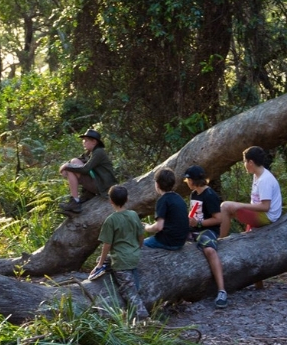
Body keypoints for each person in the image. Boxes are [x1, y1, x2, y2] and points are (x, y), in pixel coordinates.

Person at [89, 185, 150, 320]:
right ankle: (108, 265)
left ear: (110, 201)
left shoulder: (111, 220)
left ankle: (144, 317)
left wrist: (99, 265)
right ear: (127, 199)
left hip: (122, 261)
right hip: (133, 255)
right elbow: (141, 235)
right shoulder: (133, 215)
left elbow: (107, 244)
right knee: (104, 258)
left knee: (129, 291)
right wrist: (138, 247)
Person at [184, 165, 228, 309]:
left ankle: (222, 290)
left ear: (193, 180)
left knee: (209, 250)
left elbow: (219, 219)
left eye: (188, 179)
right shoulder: (194, 194)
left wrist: (200, 223)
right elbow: (194, 213)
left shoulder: (209, 196)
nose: (187, 181)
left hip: (208, 230)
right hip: (194, 228)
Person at [219, 146, 283, 238]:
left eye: (245, 161)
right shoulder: (257, 175)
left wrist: (240, 205)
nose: (244, 164)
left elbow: (265, 207)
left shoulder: (265, 180)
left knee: (225, 207)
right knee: (228, 209)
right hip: (261, 214)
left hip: (267, 217)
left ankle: (220, 240)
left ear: (251, 162)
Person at [58, 129, 118, 214]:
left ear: (94, 142)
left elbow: (85, 169)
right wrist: (66, 166)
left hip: (104, 186)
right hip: (101, 183)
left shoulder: (99, 152)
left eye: (86, 140)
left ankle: (75, 201)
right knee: (73, 162)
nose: (83, 142)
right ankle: (86, 195)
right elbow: (80, 160)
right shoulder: (91, 153)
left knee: (71, 169)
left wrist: (66, 167)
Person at [143, 168, 189, 250]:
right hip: (181, 241)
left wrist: (147, 227)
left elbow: (159, 227)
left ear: (157, 184)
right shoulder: (179, 198)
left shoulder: (162, 200)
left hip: (169, 242)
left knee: (141, 245)